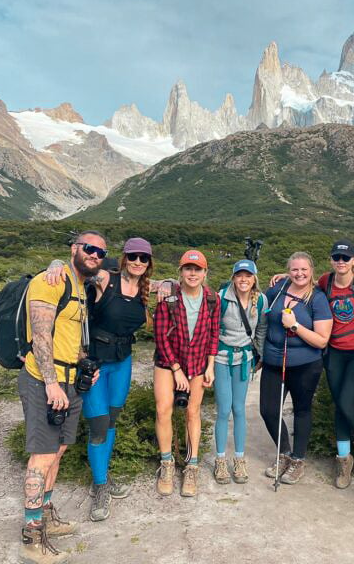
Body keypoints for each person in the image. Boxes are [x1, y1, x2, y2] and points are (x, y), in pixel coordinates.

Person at [45, 237, 155, 521]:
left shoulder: (146, 290)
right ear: (124, 258)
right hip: (94, 364)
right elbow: (77, 270)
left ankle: (103, 475)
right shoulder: (106, 278)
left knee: (112, 420)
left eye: (144, 258)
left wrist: (168, 283)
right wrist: (57, 263)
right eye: (133, 256)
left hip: (122, 363)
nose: (138, 262)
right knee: (98, 425)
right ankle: (100, 485)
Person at [18, 231, 103, 564]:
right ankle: (31, 531)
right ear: (74, 249)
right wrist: (52, 383)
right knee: (42, 454)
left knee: (59, 449)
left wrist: (85, 364)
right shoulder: (50, 281)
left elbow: (70, 338)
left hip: (70, 381)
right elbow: (40, 335)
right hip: (45, 380)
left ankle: (46, 511)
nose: (95, 254)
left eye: (101, 251)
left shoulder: (80, 286)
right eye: (90, 248)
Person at [259, 251, 333, 485]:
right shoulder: (277, 289)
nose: (299, 274)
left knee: (302, 410)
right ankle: (284, 453)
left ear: (312, 271)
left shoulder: (318, 298)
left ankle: (298, 459)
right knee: (268, 410)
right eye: (294, 269)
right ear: (288, 271)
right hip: (273, 362)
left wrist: (295, 326)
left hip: (306, 364)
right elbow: (257, 305)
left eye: (304, 269)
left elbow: (322, 340)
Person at [153, 250, 219, 498]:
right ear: (180, 272)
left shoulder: (212, 299)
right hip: (168, 361)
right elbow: (160, 337)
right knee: (163, 409)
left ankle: (191, 465)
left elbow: (214, 334)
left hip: (199, 361)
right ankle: (167, 463)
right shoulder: (168, 297)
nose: (193, 273)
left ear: (205, 273)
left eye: (198, 269)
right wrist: (176, 369)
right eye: (188, 269)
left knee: (193, 411)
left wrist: (210, 366)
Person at [319, 240, 354, 488]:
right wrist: (282, 277)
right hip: (335, 353)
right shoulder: (325, 281)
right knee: (340, 405)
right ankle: (344, 458)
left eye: (345, 257)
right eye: (336, 257)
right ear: (331, 260)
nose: (341, 262)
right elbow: (302, 285)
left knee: (345, 402)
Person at [213, 259, 268, 484]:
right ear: (233, 277)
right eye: (239, 275)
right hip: (221, 357)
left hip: (245, 358)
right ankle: (219, 460)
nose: (243, 279)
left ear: (254, 278)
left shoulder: (261, 300)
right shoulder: (221, 298)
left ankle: (239, 458)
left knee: (239, 409)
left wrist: (259, 354)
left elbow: (262, 328)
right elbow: (212, 327)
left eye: (248, 275)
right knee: (224, 409)